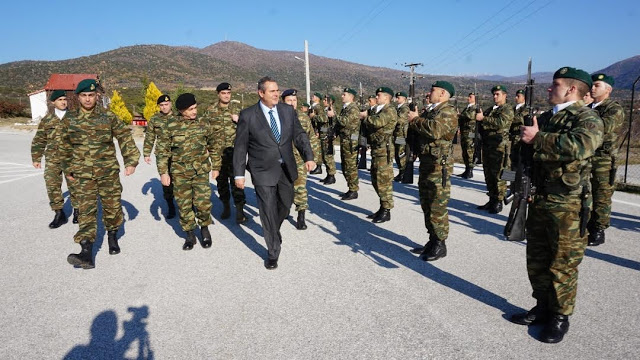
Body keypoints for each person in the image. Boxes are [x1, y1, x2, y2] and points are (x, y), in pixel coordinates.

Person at [511, 67, 603, 343]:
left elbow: (581, 146)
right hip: (539, 199)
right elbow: (528, 152)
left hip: (568, 204)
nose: (549, 89)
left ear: (572, 89)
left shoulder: (587, 118)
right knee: (537, 259)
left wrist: (537, 139)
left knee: (563, 263)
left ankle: (560, 317)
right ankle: (542, 306)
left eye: (555, 85)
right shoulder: (548, 117)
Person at [233, 77, 315, 269]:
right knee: (267, 209)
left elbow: (299, 135)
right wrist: (239, 174)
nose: (277, 94)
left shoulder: (287, 111)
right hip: (262, 170)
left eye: (277, 90)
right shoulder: (248, 115)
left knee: (286, 205)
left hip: (286, 167)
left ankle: (273, 229)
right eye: (272, 91)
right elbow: (240, 147)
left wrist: (308, 156)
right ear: (261, 93)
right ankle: (273, 250)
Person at [61, 79, 141, 269]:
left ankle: (113, 237)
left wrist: (130, 161)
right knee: (86, 211)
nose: (88, 99)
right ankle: (86, 252)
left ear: (97, 96)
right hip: (82, 174)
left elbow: (124, 137)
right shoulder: (70, 119)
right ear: (78, 97)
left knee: (112, 207)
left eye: (91, 95)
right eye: (84, 96)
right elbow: (62, 146)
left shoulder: (108, 117)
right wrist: (67, 168)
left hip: (108, 172)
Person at [156, 93, 221, 250]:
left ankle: (204, 229)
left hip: (200, 171)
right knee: (184, 206)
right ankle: (190, 235)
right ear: (181, 110)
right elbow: (162, 151)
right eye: (190, 109)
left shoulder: (204, 124)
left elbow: (214, 145)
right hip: (179, 173)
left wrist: (216, 166)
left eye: (195, 107)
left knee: (203, 203)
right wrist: (163, 172)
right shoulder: (170, 126)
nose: (194, 111)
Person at [407, 81, 457, 261]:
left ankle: (440, 243)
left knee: (437, 204)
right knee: (426, 203)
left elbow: (435, 130)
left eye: (433, 90)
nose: (429, 92)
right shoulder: (432, 111)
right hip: (427, 162)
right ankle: (432, 239)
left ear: (443, 93)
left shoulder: (448, 111)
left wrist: (415, 119)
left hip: (439, 165)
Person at [586, 73, 626, 246]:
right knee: (584, 193)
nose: (592, 88)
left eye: (596, 85)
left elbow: (602, 128)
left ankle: (598, 229)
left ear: (608, 90)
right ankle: (585, 225)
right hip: (586, 156)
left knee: (601, 194)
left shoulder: (613, 109)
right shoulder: (588, 107)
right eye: (591, 85)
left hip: (603, 159)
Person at [31, 90, 78, 228]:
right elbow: (39, 140)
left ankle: (77, 211)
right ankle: (59, 213)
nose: (63, 102)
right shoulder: (47, 120)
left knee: (74, 185)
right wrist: (36, 157)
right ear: (53, 102)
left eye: (65, 99)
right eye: (59, 100)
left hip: (72, 158)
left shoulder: (75, 117)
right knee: (52, 185)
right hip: (53, 158)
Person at [207, 82, 247, 224]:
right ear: (218, 94)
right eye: (223, 93)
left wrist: (239, 120)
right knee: (221, 182)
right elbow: (206, 130)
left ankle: (240, 211)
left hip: (235, 153)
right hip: (218, 154)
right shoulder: (211, 110)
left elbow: (248, 127)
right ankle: (226, 206)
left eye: (228, 93)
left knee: (237, 182)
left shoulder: (237, 109)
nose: (226, 96)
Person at [281, 89, 318, 230]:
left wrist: (313, 159)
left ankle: (301, 216)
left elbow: (311, 139)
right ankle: (285, 208)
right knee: (284, 187)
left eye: (294, 100)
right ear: (283, 101)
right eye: (289, 100)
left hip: (299, 159)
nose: (292, 103)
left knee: (300, 187)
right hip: (282, 158)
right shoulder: (277, 116)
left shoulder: (303, 118)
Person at [361, 87, 397, 223]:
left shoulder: (390, 110)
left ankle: (386, 209)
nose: (376, 97)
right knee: (375, 179)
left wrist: (365, 117)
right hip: (377, 148)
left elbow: (377, 122)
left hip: (384, 150)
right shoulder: (377, 110)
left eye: (379, 95)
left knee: (384, 180)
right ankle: (382, 206)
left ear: (387, 98)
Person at [475, 85, 514, 213]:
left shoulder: (507, 109)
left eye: (497, 94)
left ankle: (499, 201)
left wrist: (483, 119)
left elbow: (502, 123)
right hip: (487, 146)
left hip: (499, 147)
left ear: (505, 95)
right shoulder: (491, 109)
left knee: (499, 174)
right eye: (494, 94)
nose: (495, 96)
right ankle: (492, 198)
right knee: (489, 174)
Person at [142, 94, 176, 219]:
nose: (164, 107)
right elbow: (150, 137)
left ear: (171, 104)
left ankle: (189, 205)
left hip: (179, 154)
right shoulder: (155, 119)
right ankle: (171, 205)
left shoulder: (179, 117)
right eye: (161, 105)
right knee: (166, 182)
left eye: (166, 104)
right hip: (162, 154)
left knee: (182, 180)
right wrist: (146, 153)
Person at [329, 87, 361, 200]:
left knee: (351, 166)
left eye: (344, 94)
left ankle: (354, 190)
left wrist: (334, 114)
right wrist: (334, 133)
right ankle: (350, 188)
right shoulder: (345, 108)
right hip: (345, 140)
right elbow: (339, 125)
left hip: (351, 142)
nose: (342, 96)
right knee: (345, 166)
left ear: (351, 97)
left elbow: (345, 122)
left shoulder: (353, 109)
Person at [309, 92, 335, 182]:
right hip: (324, 134)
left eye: (325, 100)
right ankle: (329, 174)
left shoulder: (330, 110)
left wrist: (314, 117)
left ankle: (331, 175)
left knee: (328, 156)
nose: (323, 101)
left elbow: (324, 119)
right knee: (324, 156)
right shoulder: (325, 109)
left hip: (328, 135)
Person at [455, 92, 477, 178]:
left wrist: (460, 115)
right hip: (465, 132)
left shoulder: (475, 108)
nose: (468, 98)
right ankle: (467, 169)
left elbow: (470, 116)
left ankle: (470, 170)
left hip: (471, 133)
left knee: (469, 151)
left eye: (470, 97)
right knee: (464, 151)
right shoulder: (468, 108)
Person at [393, 92, 410, 182]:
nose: (397, 99)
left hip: (401, 135)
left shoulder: (405, 108)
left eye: (399, 98)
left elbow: (400, 120)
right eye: (396, 98)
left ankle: (403, 172)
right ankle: (401, 172)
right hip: (396, 134)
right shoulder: (397, 108)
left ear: (404, 98)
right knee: (396, 154)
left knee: (401, 154)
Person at [509, 89, 526, 170]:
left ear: (524, 98)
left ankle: (518, 180)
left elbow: (519, 119)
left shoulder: (526, 109)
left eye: (518, 96)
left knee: (520, 161)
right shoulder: (513, 108)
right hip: (513, 137)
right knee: (511, 159)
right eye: (516, 96)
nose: (516, 98)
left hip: (521, 138)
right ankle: (511, 181)